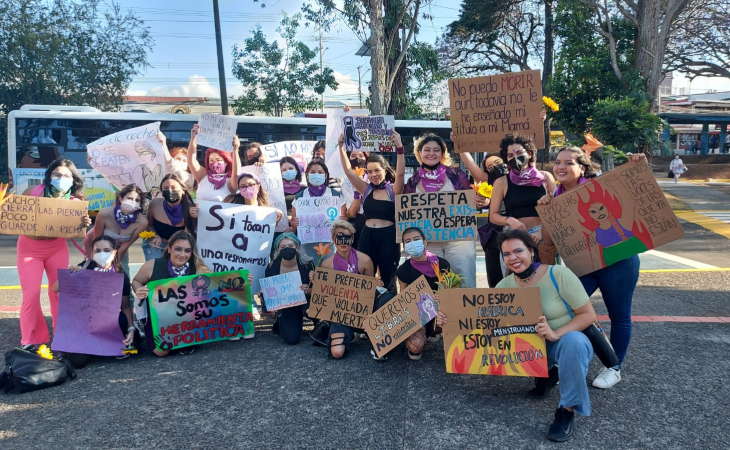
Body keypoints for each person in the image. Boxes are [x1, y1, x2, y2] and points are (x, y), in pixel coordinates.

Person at [436, 229, 597, 442]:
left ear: (532, 251)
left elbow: (588, 315)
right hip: (530, 349)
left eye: (518, 251)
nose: (513, 258)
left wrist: (555, 333)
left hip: (563, 342)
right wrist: (450, 321)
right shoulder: (504, 286)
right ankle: (547, 374)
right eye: (506, 254)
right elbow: (484, 324)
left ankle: (566, 411)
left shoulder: (558, 274)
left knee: (573, 343)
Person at [537, 146, 646, 389]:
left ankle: (614, 367)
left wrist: (638, 165)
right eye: (557, 162)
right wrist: (546, 212)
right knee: (566, 309)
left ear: (582, 167)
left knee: (619, 315)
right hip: (582, 266)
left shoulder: (600, 185)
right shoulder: (553, 196)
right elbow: (548, 240)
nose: (560, 167)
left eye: (568, 163)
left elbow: (634, 195)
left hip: (618, 263)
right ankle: (557, 362)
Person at [17, 158, 92, 349]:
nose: (61, 178)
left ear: (73, 179)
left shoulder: (77, 202)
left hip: (57, 248)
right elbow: (18, 217)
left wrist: (82, 225)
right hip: (29, 248)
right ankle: (32, 339)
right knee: (31, 294)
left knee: (59, 292)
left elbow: (76, 231)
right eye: (57, 175)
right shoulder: (33, 192)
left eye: (66, 176)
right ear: (49, 176)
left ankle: (62, 333)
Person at [52, 235, 140, 366]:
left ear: (114, 252)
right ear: (92, 252)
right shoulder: (85, 268)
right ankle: (92, 346)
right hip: (84, 323)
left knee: (133, 343)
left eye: (107, 250)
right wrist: (71, 274)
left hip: (109, 322)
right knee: (77, 362)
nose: (102, 254)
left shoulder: (120, 275)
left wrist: (131, 328)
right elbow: (55, 288)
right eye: (97, 251)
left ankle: (103, 344)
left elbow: (126, 306)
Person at [402, 134, 476, 288]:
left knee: (464, 281)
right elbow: (405, 211)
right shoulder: (412, 181)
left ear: (442, 154)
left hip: (459, 240)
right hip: (429, 241)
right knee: (433, 285)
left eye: (436, 150)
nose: (431, 153)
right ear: (419, 153)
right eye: (427, 150)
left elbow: (472, 197)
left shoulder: (456, 175)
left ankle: (465, 312)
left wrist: (482, 200)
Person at [338, 132, 405, 292]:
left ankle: (388, 310)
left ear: (384, 170)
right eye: (369, 171)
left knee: (388, 277)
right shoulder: (365, 189)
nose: (373, 175)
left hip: (388, 237)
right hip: (367, 236)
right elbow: (348, 171)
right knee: (364, 276)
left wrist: (400, 148)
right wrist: (340, 147)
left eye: (377, 171)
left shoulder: (393, 190)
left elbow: (401, 174)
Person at [310, 220, 386, 359]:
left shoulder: (364, 260)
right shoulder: (326, 265)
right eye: (339, 237)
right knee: (336, 352)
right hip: (341, 314)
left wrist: (376, 285)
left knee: (387, 298)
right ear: (333, 239)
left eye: (347, 237)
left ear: (352, 239)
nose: (343, 242)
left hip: (362, 311)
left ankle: (367, 333)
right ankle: (346, 335)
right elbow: (323, 293)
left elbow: (370, 290)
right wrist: (314, 282)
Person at [132, 231, 213, 357]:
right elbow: (137, 281)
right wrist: (139, 290)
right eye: (178, 249)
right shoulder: (153, 265)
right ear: (169, 248)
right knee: (161, 351)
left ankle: (185, 338)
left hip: (186, 316)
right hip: (158, 317)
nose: (182, 254)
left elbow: (216, 288)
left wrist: (244, 281)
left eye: (187, 250)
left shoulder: (199, 268)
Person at [488, 133, 558, 264]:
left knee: (548, 277)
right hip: (514, 238)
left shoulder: (546, 177)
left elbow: (556, 211)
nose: (515, 158)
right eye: (510, 156)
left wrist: (541, 232)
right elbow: (493, 216)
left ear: (530, 153)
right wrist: (510, 221)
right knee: (518, 280)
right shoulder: (502, 182)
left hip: (544, 235)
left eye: (519, 153)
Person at [395, 227, 451, 357]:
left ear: (425, 242)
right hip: (419, 314)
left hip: (440, 312)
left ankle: (438, 331)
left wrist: (441, 298)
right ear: (404, 246)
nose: (412, 243)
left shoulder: (442, 264)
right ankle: (423, 333)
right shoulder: (403, 270)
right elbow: (402, 299)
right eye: (407, 241)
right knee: (415, 346)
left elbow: (448, 294)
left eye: (416, 239)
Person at [84, 184, 148, 275]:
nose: (133, 202)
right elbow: (96, 240)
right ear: (120, 199)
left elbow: (125, 245)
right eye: (129, 198)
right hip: (97, 246)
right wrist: (96, 260)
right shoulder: (104, 214)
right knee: (95, 274)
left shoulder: (142, 222)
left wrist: (114, 264)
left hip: (119, 249)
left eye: (137, 200)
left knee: (122, 275)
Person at [263, 233, 315, 345]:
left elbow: (317, 289)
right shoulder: (273, 266)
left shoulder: (307, 264)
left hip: (306, 301)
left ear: (297, 247)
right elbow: (270, 291)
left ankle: (320, 325)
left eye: (291, 246)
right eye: (283, 247)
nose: (287, 249)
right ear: (277, 249)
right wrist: (266, 292)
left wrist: (308, 289)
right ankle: (281, 319)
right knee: (292, 339)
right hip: (287, 304)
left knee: (310, 311)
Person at [290, 159, 343, 258]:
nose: (316, 175)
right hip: (307, 246)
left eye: (320, 172)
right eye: (313, 172)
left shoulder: (335, 195)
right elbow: (293, 224)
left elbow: (344, 218)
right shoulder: (300, 197)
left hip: (330, 244)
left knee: (328, 269)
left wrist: (341, 220)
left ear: (326, 175)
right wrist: (294, 224)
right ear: (307, 175)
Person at [143, 173, 197, 261]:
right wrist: (155, 236)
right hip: (157, 245)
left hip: (179, 248)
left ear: (182, 189)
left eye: (174, 187)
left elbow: (187, 235)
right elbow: (149, 225)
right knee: (157, 270)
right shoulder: (155, 204)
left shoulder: (190, 209)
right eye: (165, 188)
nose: (170, 191)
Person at [187, 124, 240, 202]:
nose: (215, 163)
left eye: (218, 160)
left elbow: (236, 173)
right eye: (211, 160)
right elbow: (191, 160)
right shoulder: (202, 176)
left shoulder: (230, 182)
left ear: (226, 162)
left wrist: (235, 149)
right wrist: (193, 139)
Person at [340, 150, 369, 248]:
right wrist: (358, 192)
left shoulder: (374, 176)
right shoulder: (346, 183)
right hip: (361, 222)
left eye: (361, 155)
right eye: (353, 156)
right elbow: (351, 213)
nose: (358, 158)